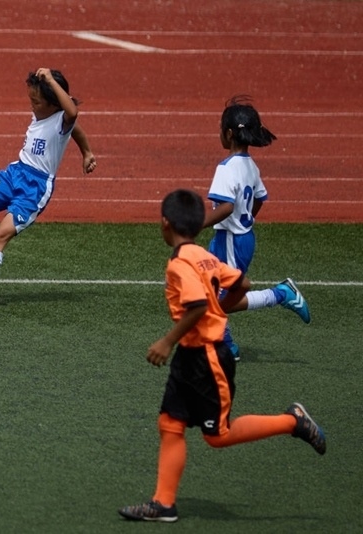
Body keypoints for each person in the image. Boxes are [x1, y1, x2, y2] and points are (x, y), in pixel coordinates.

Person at [118, 189, 326, 523]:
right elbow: (242, 283)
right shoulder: (203, 255)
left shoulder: (180, 264)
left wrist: (166, 341)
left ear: (165, 223)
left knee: (218, 436)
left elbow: (198, 305)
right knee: (170, 423)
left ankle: (293, 422)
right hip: (190, 355)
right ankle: (163, 504)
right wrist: (221, 309)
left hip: (208, 358)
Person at [0, 68, 97, 307]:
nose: (31, 106)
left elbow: (72, 114)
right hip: (14, 173)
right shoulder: (46, 115)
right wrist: (86, 152)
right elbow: (74, 128)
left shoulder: (62, 118)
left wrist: (49, 79)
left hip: (34, 189)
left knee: (0, 235)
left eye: (36, 102)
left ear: (54, 104)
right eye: (30, 100)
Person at [204, 96, 310, 360]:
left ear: (229, 134)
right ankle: (225, 341)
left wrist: (196, 224)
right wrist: (247, 219)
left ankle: (278, 296)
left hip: (231, 240)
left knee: (218, 299)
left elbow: (226, 207)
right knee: (209, 289)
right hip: (240, 237)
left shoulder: (226, 168)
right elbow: (260, 198)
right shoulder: (250, 165)